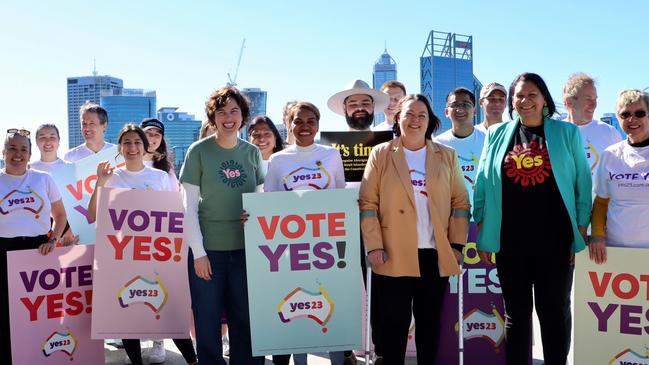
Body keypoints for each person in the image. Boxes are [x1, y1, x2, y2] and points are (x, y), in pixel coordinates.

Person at [473, 72, 591, 365]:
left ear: (544, 100)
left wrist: (580, 227)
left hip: (555, 241)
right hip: (510, 243)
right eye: (519, 95)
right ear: (512, 101)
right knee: (516, 315)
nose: (525, 101)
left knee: (553, 313)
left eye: (532, 95)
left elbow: (582, 183)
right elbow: (483, 182)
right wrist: (483, 228)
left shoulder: (567, 133)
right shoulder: (497, 134)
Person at [359, 94, 470, 365]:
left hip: (434, 254)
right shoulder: (382, 154)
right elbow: (368, 203)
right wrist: (374, 245)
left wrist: (456, 245)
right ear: (398, 118)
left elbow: (460, 202)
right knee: (391, 329)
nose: (415, 120)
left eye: (422, 115)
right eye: (409, 114)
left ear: (430, 121)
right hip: (391, 254)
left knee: (430, 325)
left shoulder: (446, 155)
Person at [87, 124, 197, 365]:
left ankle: (192, 360)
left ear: (145, 146)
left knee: (170, 312)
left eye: (137, 142)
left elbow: (176, 214)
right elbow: (92, 215)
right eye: (127, 142)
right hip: (121, 256)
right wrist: (100, 183)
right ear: (119, 148)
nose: (132, 147)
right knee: (127, 316)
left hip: (156, 255)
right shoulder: (111, 177)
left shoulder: (160, 176)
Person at [180, 86, 264, 365]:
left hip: (246, 251)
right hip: (209, 252)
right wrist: (198, 253)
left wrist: (254, 215)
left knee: (246, 319)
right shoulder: (198, 151)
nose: (228, 117)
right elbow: (188, 207)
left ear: (243, 116)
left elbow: (261, 201)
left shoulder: (253, 153)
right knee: (207, 321)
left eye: (234, 111)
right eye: (221, 112)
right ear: (212, 118)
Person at [264, 102, 345, 365]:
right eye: (298, 121)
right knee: (297, 300)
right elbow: (270, 205)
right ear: (289, 125)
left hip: (327, 247)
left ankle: (338, 359)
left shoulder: (332, 155)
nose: (305, 126)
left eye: (311, 121)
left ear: (318, 124)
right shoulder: (278, 160)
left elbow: (340, 200)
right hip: (291, 249)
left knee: (330, 301)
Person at [327, 79, 390, 364]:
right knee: (341, 290)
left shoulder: (388, 140)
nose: (360, 108)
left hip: (380, 223)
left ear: (374, 108)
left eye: (365, 103)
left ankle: (380, 349)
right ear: (344, 109)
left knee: (382, 290)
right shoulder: (327, 145)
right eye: (353, 104)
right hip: (339, 224)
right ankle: (343, 351)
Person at [1, 129, 67, 365]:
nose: (17, 154)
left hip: (38, 250)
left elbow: (60, 216)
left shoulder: (43, 179)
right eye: (12, 148)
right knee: (7, 313)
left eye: (23, 149)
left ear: (30, 154)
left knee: (40, 311)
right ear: (3, 151)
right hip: (4, 250)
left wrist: (53, 240)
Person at [589, 89, 649, 264]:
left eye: (639, 113)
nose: (632, 119)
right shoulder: (610, 155)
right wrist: (597, 235)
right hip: (615, 252)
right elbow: (601, 201)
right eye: (625, 114)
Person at [563, 73, 622, 174]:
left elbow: (621, 172)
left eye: (595, 99)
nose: (594, 105)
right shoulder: (555, 133)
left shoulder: (609, 133)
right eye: (588, 99)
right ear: (569, 102)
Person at [436, 87, 485, 206]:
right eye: (455, 105)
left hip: (482, 216)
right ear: (446, 112)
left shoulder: (488, 140)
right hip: (451, 216)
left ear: (474, 111)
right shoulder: (437, 144)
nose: (460, 108)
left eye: (466, 104)